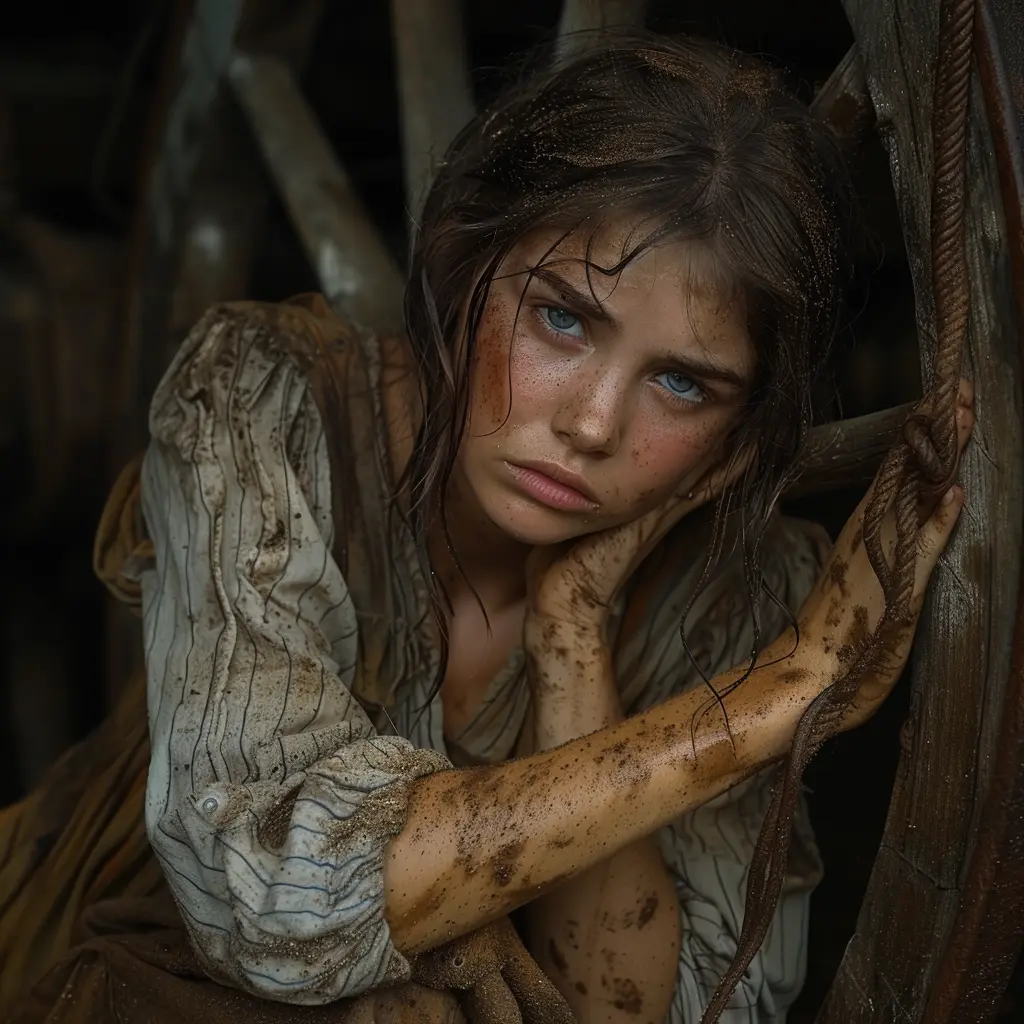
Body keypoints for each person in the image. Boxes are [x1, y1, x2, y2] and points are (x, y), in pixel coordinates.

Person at [0, 33, 972, 1024]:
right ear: (467, 258)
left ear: (743, 421)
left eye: (683, 382)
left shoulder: (728, 592)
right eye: (561, 319)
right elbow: (270, 899)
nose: (592, 424)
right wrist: (777, 698)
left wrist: (571, 636)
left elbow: (647, 1015)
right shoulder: (262, 410)